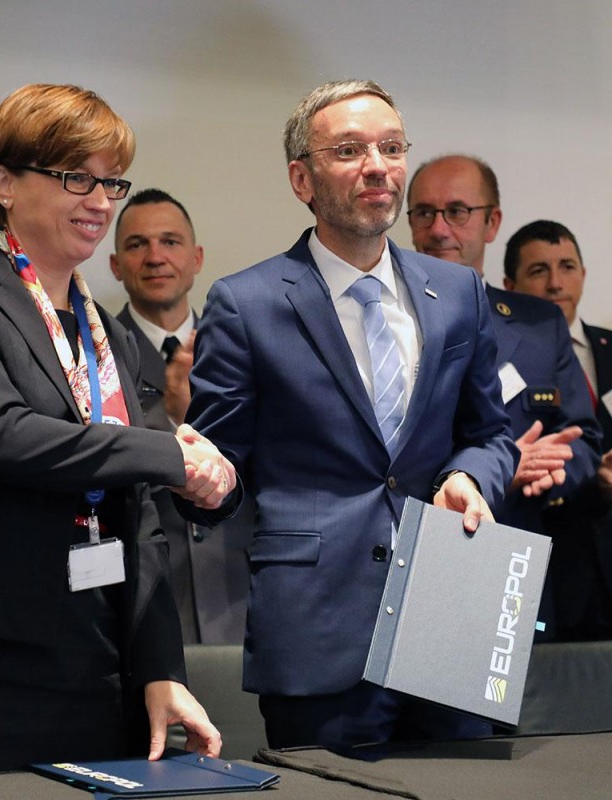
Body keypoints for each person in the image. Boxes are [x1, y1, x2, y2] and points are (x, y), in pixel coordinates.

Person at [0, 84, 232, 782]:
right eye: (75, 177)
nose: (100, 200)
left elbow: (144, 510)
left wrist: (157, 669)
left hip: (91, 654)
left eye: (110, 180)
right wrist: (170, 452)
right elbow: (3, 435)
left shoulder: (112, 335)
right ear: (3, 182)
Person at [177, 79, 518, 752]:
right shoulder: (246, 303)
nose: (377, 166)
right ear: (302, 178)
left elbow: (489, 435)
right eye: (350, 150)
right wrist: (199, 482)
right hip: (317, 625)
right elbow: (221, 466)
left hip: (451, 608)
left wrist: (473, 478)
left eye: (391, 147)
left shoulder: (457, 292)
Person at [407, 157, 601, 545]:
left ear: (491, 223)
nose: (439, 229)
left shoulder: (541, 325)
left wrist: (546, 471)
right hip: (408, 535)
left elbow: (583, 439)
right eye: (425, 213)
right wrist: (497, 468)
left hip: (513, 542)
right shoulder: (384, 315)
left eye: (457, 212)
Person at [110, 188, 251, 644]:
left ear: (196, 258)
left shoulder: (242, 347)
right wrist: (174, 424)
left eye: (170, 242)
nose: (155, 257)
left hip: (238, 591)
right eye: (137, 244)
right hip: (143, 593)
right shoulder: (93, 352)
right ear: (115, 265)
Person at [503, 220, 612, 639]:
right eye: (538, 271)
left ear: (583, 274)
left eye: (566, 266)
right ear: (510, 285)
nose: (555, 283)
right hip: (552, 564)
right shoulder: (500, 354)